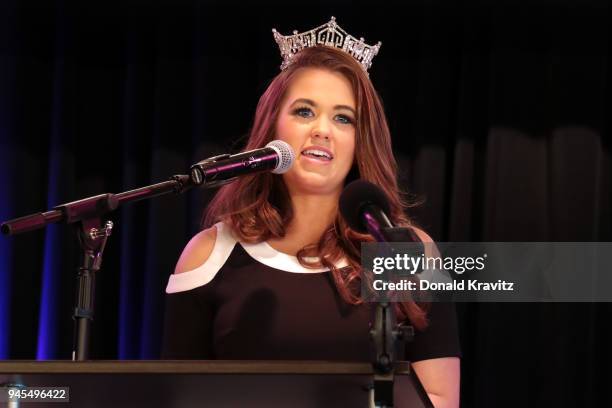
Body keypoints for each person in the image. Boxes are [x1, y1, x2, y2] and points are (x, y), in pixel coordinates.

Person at [162, 18, 461, 407]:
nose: (322, 130)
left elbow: (439, 397)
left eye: (343, 118)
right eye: (304, 112)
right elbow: (176, 396)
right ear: (273, 125)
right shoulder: (208, 253)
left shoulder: (406, 250)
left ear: (360, 140)